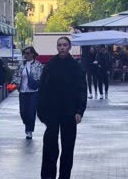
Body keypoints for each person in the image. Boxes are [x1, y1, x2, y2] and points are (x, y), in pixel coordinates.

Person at [37, 37, 87, 179]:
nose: (62, 48)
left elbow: (82, 90)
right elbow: (43, 89)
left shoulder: (75, 66)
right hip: (52, 111)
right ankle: (48, 176)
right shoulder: (50, 65)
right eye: (59, 45)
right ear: (57, 47)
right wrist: (41, 112)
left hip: (70, 112)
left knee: (68, 147)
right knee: (50, 146)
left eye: (65, 45)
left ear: (69, 47)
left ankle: (64, 176)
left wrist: (79, 111)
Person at [11, 46, 43, 139]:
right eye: (24, 53)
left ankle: (29, 130)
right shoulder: (21, 64)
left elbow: (41, 77)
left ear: (33, 54)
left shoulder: (38, 65)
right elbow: (16, 75)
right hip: (23, 91)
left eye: (28, 53)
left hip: (33, 92)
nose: (26, 55)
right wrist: (14, 84)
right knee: (23, 111)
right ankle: (27, 124)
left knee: (31, 112)